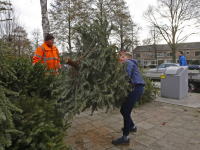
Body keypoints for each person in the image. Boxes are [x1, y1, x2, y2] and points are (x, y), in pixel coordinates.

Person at [112, 52, 145, 145]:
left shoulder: (128, 62)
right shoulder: (131, 63)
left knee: (126, 111)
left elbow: (126, 75)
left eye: (123, 57)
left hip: (135, 88)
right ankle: (132, 127)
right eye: (120, 57)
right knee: (123, 110)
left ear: (128, 57)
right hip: (137, 88)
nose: (121, 58)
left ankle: (125, 138)